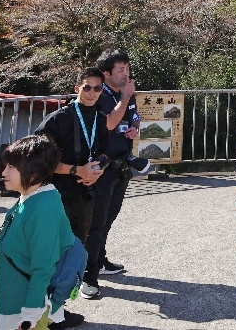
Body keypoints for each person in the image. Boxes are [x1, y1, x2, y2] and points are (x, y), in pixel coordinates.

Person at [0, 135, 83, 330]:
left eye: (11, 166)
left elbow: (43, 266)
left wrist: (30, 314)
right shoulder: (30, 197)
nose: (3, 172)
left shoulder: (44, 206)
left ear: (33, 172)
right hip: (12, 301)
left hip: (25, 308)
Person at [84, 48, 150, 298]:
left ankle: (100, 260)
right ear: (106, 73)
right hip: (102, 167)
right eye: (120, 70)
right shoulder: (99, 95)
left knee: (109, 217)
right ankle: (88, 276)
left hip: (123, 164)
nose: (126, 74)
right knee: (95, 222)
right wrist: (125, 96)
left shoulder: (127, 94)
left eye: (127, 69)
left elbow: (134, 118)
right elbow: (109, 123)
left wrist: (134, 129)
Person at [36, 67, 110, 245]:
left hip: (85, 195)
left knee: (77, 247)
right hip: (56, 194)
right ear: (77, 89)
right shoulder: (57, 119)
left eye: (97, 88)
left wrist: (97, 170)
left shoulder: (100, 118)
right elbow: (40, 160)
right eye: (87, 88)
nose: (91, 93)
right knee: (52, 247)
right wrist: (77, 170)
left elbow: (106, 153)